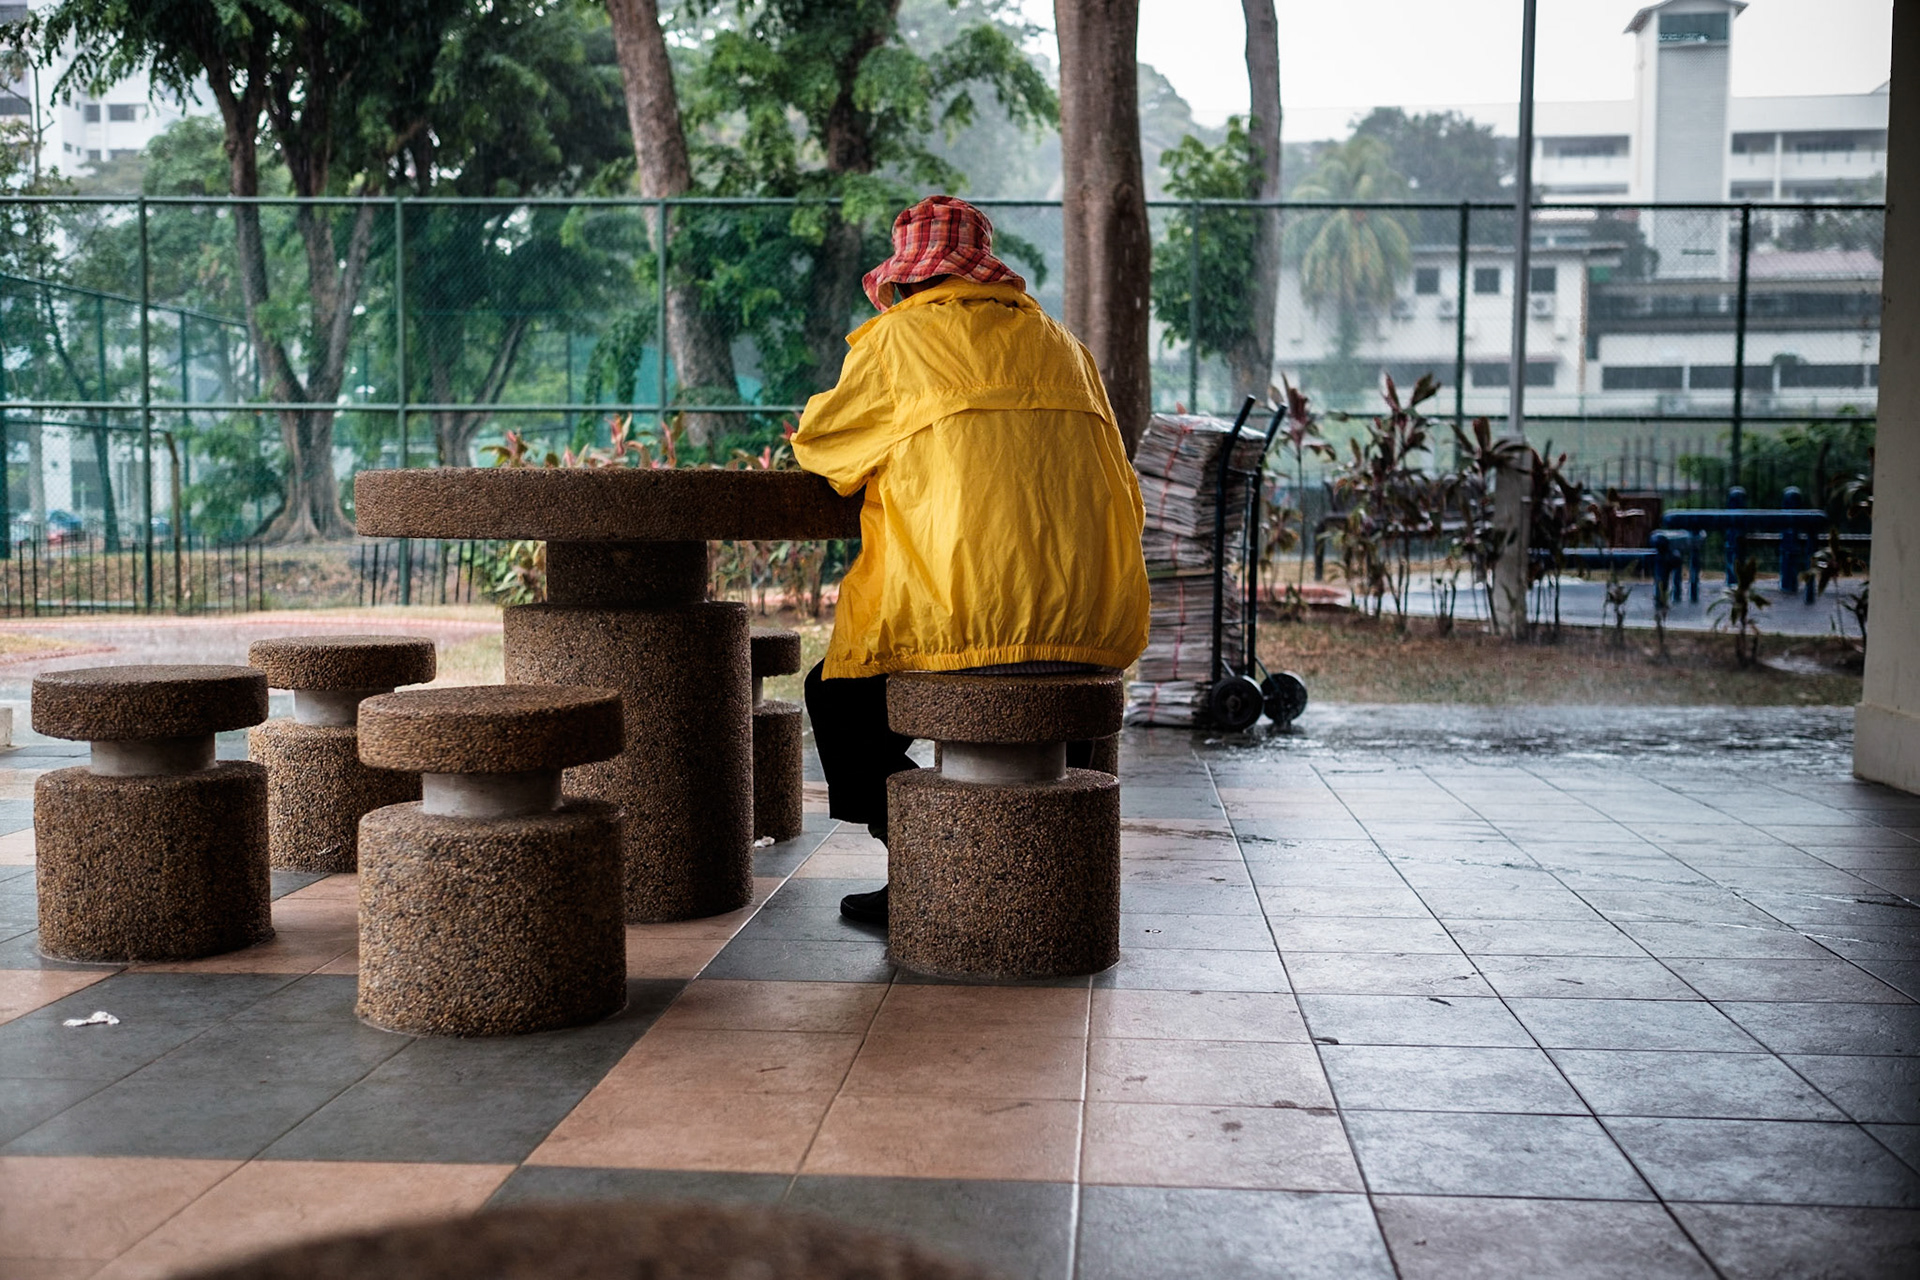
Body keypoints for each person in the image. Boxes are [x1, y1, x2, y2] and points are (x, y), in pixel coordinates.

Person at [791, 195, 1150, 926]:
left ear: (909, 280)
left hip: (963, 622)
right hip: (1095, 623)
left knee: (835, 698)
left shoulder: (896, 344)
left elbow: (821, 447)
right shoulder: (1065, 346)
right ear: (984, 270)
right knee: (1050, 684)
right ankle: (1040, 871)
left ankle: (928, 859)